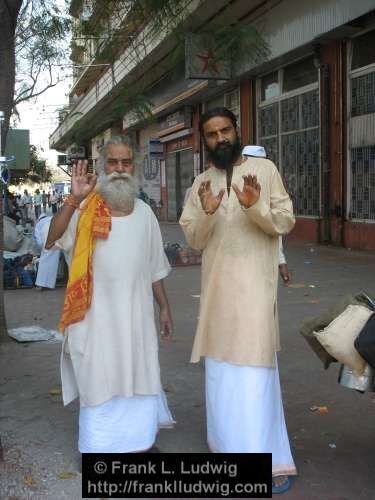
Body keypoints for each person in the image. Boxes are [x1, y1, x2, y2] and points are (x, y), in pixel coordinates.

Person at [180, 108, 297, 494]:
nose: (220, 139)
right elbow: (194, 239)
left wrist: (254, 206)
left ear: (237, 130)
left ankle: (265, 459)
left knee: (254, 377)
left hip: (255, 294)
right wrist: (210, 213)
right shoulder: (201, 183)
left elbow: (283, 223)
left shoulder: (265, 171)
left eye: (225, 130)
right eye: (211, 134)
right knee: (222, 376)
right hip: (216, 296)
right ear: (204, 140)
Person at [45, 135, 174, 455]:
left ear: (135, 167)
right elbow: (51, 240)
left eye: (126, 162)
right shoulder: (84, 208)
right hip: (94, 321)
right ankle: (98, 449)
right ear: (102, 167)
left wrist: (165, 309)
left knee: (140, 376)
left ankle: (140, 443)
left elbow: (154, 267)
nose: (119, 169)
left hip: (136, 320)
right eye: (112, 162)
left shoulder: (145, 213)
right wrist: (73, 199)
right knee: (98, 381)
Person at [242, 145, 291, 285]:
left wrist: (281, 262)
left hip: (264, 258)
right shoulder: (233, 185)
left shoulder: (270, 188)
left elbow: (275, 228)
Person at [34, 214, 61, 290]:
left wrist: (41, 247)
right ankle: (50, 285)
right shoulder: (53, 219)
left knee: (43, 265)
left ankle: (40, 284)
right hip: (56, 244)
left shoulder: (39, 224)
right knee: (53, 265)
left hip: (46, 245)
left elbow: (38, 240)